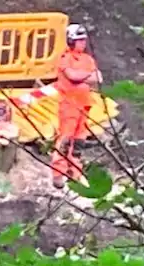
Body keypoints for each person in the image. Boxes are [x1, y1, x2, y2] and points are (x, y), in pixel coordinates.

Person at [50, 23, 103, 188]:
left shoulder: (88, 59)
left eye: (83, 40)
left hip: (84, 105)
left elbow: (98, 78)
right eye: (79, 40)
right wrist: (86, 76)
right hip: (69, 105)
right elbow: (71, 75)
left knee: (79, 141)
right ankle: (58, 173)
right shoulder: (65, 58)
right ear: (71, 41)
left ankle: (75, 171)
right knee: (65, 139)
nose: (83, 43)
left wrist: (83, 77)